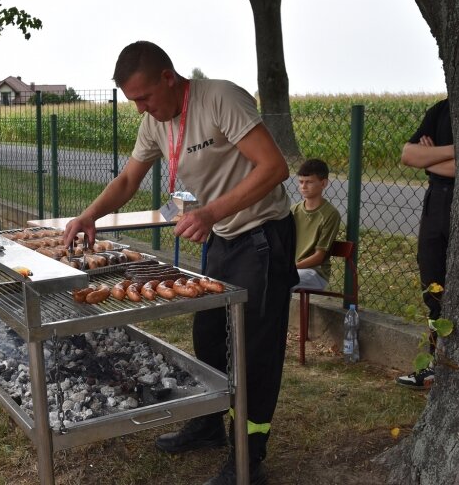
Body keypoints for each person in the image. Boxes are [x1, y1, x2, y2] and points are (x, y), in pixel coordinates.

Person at [62, 41, 298, 485]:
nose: (140, 110)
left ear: (169, 78)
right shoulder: (155, 122)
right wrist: (89, 215)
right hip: (223, 237)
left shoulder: (220, 98)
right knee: (208, 336)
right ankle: (208, 424)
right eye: (133, 102)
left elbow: (274, 168)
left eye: (144, 97)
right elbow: (129, 177)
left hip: (264, 235)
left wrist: (210, 212)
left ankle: (249, 456)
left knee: (255, 349)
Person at [395, 98, 454, 389]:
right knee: (433, 286)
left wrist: (430, 159)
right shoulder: (441, 109)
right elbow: (408, 155)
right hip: (435, 204)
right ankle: (434, 365)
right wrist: (456, 152)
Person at [291, 159, 341, 291]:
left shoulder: (330, 214)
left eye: (309, 182)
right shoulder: (293, 210)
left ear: (323, 183)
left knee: (281, 280)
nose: (303, 186)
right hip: (293, 269)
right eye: (301, 182)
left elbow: (319, 257)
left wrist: (291, 267)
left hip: (315, 273)